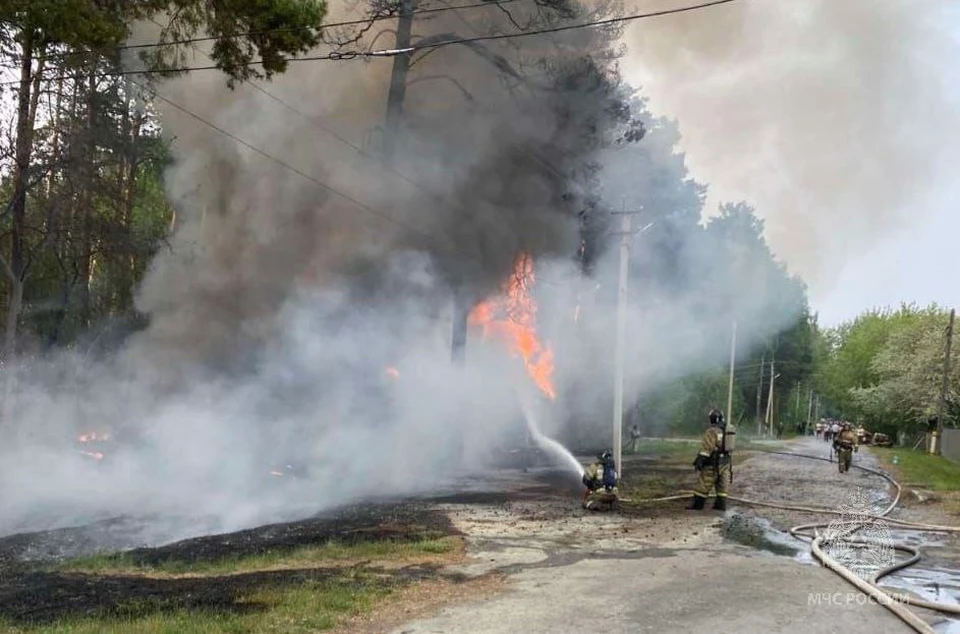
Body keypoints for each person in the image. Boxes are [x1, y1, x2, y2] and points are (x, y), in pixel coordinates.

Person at [688, 409, 736, 511]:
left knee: (705, 482)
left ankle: (697, 505)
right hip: (726, 463)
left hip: (712, 464)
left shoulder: (712, 431)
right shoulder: (728, 430)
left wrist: (700, 460)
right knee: (722, 485)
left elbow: (707, 448)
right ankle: (720, 505)